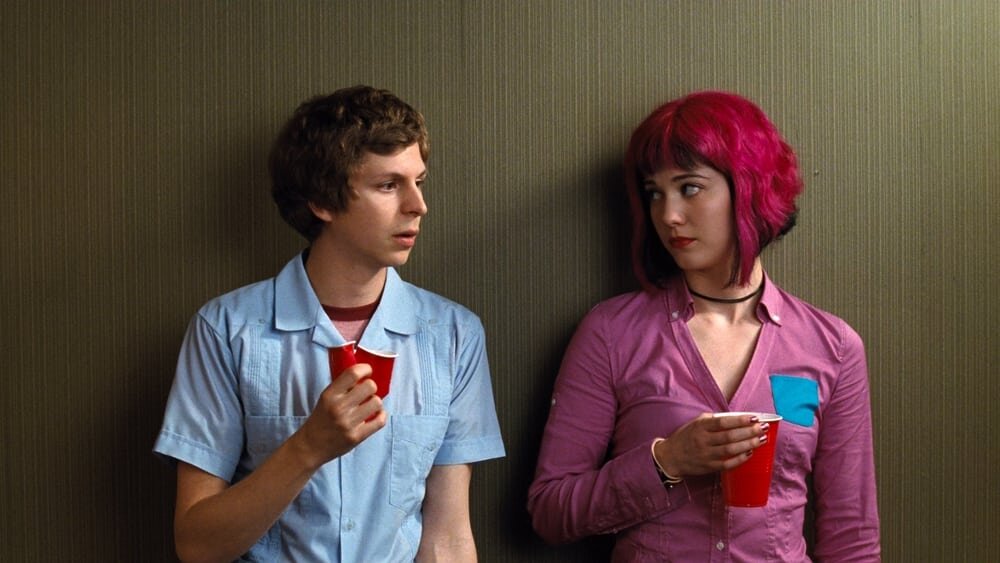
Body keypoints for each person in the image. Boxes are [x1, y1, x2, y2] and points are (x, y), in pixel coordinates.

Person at [153, 85, 505, 562]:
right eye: (388, 185)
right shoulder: (225, 331)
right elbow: (197, 546)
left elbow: (448, 537)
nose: (418, 205)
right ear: (322, 201)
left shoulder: (454, 336)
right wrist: (308, 448)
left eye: (419, 182)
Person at [527, 91, 880, 561]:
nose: (668, 216)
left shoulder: (831, 346)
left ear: (750, 189)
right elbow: (551, 512)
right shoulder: (611, 333)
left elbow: (851, 538)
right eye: (655, 193)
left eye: (689, 188)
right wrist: (666, 462)